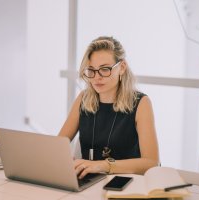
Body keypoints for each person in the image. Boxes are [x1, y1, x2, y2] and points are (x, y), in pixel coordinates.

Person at [59, 36, 159, 179]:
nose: (96, 77)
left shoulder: (141, 103)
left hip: (126, 184)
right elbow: (57, 146)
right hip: (89, 182)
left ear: (122, 68)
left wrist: (102, 165)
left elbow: (151, 163)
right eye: (91, 70)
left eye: (105, 69)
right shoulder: (84, 98)